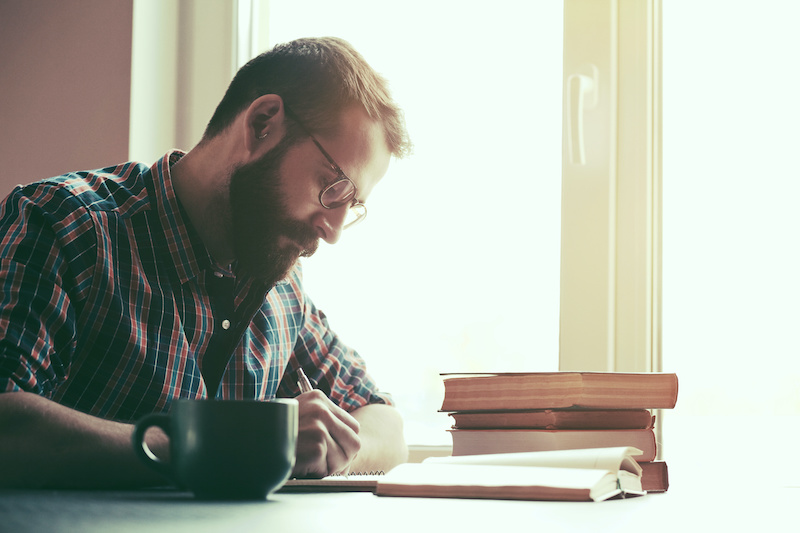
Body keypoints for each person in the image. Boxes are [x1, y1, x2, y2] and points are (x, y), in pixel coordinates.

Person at [0, 37, 412, 488]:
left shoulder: (281, 287)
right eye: (333, 188)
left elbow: (386, 428)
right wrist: (224, 444)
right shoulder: (64, 225)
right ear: (262, 125)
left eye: (351, 206)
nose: (332, 231)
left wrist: (322, 451)